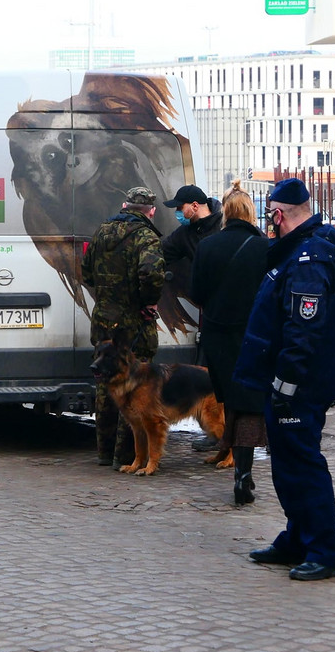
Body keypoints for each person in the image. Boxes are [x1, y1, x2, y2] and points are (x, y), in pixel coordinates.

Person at [233, 177, 335, 581]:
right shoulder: (296, 253)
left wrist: (285, 387)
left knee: (303, 466)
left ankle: (323, 550)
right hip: (286, 385)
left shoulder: (308, 259)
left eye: (271, 217)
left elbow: (304, 332)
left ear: (279, 214)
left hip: (298, 388)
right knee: (286, 467)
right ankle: (298, 538)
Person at [190, 180, 270, 505]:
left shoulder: (208, 246)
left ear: (225, 213)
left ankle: (230, 455)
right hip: (254, 336)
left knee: (229, 400)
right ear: (250, 213)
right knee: (249, 404)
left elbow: (196, 294)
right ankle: (243, 473)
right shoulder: (265, 247)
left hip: (218, 336)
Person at [80, 186, 166, 469]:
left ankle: (104, 453)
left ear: (124, 205)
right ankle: (126, 457)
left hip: (103, 319)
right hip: (133, 325)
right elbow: (152, 274)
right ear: (151, 211)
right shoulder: (146, 236)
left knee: (106, 386)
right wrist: (149, 303)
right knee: (136, 389)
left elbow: (87, 272)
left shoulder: (102, 231)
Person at [161, 184, 224, 450]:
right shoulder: (186, 234)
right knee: (208, 372)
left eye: (180, 207)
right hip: (209, 312)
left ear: (195, 206)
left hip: (233, 309)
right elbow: (161, 252)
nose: (177, 212)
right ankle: (216, 434)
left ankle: (249, 432)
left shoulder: (225, 225)